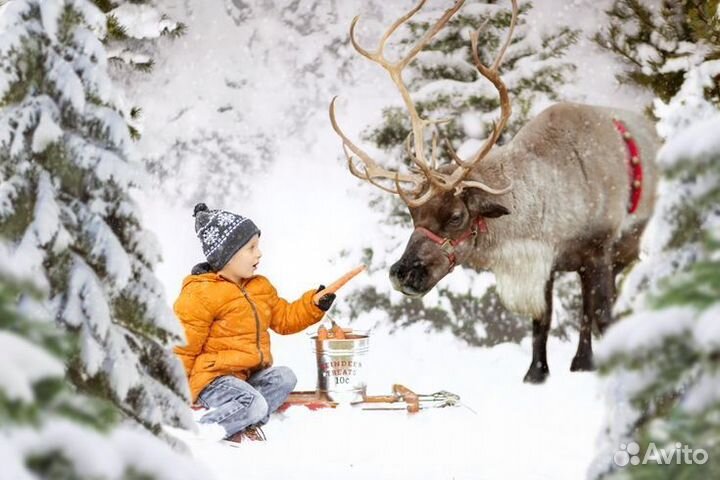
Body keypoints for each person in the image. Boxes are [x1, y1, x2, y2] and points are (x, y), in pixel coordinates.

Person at [173, 203, 336, 443]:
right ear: (227, 255)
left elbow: (285, 318)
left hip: (245, 376)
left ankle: (243, 425)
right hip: (213, 380)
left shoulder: (260, 287)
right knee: (253, 402)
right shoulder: (201, 294)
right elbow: (182, 345)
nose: (259, 254)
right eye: (251, 248)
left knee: (285, 377)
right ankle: (196, 435)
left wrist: (313, 304)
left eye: (258, 246)